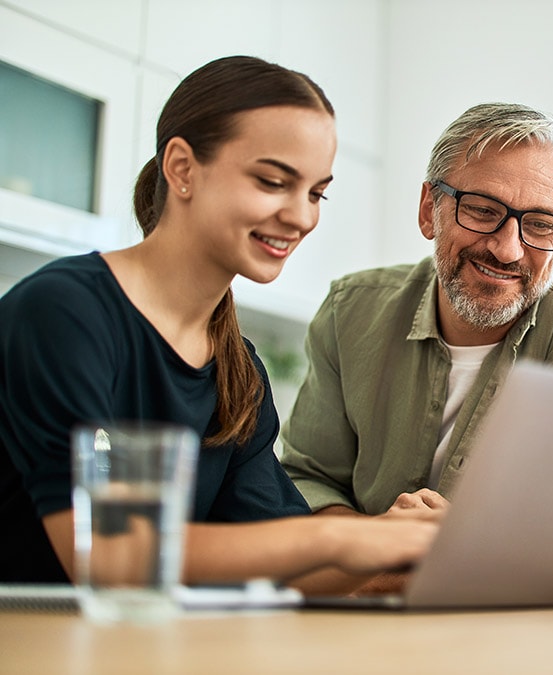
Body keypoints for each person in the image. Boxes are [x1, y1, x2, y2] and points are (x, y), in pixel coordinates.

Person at [0, 56, 436, 589]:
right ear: (182, 168)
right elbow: (108, 555)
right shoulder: (63, 313)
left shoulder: (237, 368)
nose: (302, 216)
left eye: (317, 192)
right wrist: (345, 538)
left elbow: (281, 566)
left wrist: (407, 556)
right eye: (274, 181)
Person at [280, 103, 553, 522]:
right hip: (355, 586)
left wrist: (456, 543)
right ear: (430, 210)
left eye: (541, 225)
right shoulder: (350, 310)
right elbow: (308, 479)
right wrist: (375, 550)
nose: (507, 249)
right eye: (483, 210)